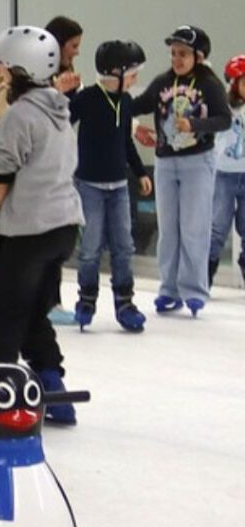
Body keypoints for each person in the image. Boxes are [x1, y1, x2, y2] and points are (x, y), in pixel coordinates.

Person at [0, 25, 84, 425]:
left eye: (3, 64)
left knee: (1, 316)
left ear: (19, 68)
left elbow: (1, 179)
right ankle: (55, 391)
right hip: (63, 225)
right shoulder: (58, 106)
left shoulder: (21, 114)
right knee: (34, 311)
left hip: (30, 230)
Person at [131, 25, 231, 316]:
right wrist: (117, 96)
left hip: (197, 162)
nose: (177, 59)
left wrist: (196, 125)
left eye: (183, 54)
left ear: (198, 56)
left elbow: (223, 119)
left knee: (194, 227)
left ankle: (195, 290)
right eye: (174, 53)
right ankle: (169, 288)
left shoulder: (209, 85)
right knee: (169, 229)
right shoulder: (163, 82)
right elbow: (138, 105)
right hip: (165, 161)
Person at [69, 40, 152, 331]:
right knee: (90, 246)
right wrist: (64, 93)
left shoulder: (126, 102)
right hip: (89, 185)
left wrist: (140, 171)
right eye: (132, 73)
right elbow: (61, 119)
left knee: (124, 246)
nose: (135, 80)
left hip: (118, 186)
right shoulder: (88, 98)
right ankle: (87, 299)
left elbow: (126, 141)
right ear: (114, 72)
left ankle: (125, 303)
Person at [207, 54, 245, 286]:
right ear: (233, 83)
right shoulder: (224, 107)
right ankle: (205, 272)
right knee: (218, 226)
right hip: (223, 174)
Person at [45, 16, 83, 95]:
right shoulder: (33, 81)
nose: (77, 52)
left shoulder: (70, 78)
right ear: (58, 45)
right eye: (74, 46)